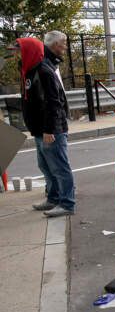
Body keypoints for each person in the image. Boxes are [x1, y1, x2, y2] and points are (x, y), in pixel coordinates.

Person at [19, 32, 75, 216]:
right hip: (39, 129)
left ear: (28, 51)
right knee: (45, 166)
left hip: (50, 130)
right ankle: (53, 198)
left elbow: (53, 102)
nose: (17, 55)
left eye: (19, 51)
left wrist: (49, 129)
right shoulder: (29, 70)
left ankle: (66, 204)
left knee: (59, 167)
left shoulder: (43, 71)